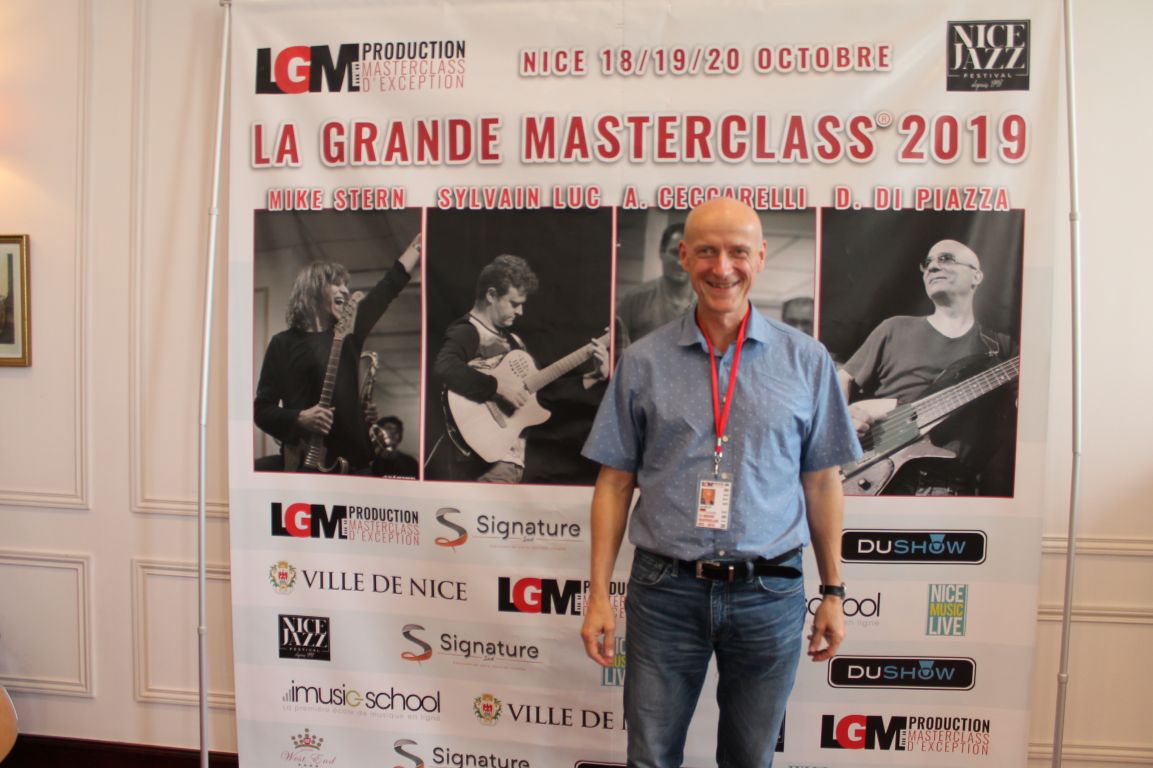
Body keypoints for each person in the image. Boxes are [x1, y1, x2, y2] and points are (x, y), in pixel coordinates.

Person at [579, 197, 861, 768]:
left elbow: (822, 483)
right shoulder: (644, 361)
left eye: (738, 251)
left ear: (760, 256)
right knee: (650, 758)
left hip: (770, 593)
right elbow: (614, 483)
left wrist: (833, 592)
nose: (722, 267)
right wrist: (599, 594)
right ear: (683, 256)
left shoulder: (807, 361)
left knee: (750, 760)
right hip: (665, 591)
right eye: (706, 251)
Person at [837, 239, 1017, 495]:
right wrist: (842, 423)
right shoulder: (894, 328)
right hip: (877, 474)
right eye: (927, 263)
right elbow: (841, 379)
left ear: (976, 276)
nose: (932, 267)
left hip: (950, 487)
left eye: (946, 259)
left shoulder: (1001, 347)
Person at [431, 253, 607, 483]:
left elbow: (543, 393)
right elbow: (445, 366)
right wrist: (499, 388)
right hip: (482, 465)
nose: (521, 312)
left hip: (511, 462)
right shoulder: (468, 330)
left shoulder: (514, 341)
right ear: (491, 295)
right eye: (514, 303)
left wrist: (594, 376)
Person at [254, 234, 420, 474]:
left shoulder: (350, 331)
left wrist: (416, 248)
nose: (345, 289)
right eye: (336, 283)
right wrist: (299, 417)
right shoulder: (283, 344)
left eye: (346, 285)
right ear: (312, 290)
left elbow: (388, 287)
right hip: (306, 465)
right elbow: (262, 410)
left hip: (356, 466)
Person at [616, 221, 694, 345]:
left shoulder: (707, 303)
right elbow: (613, 346)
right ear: (661, 252)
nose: (680, 262)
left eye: (687, 254)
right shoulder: (635, 299)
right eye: (675, 253)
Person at [370, 415, 419, 479]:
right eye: (388, 428)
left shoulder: (411, 463)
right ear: (378, 434)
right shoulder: (369, 464)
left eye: (397, 430)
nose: (393, 432)